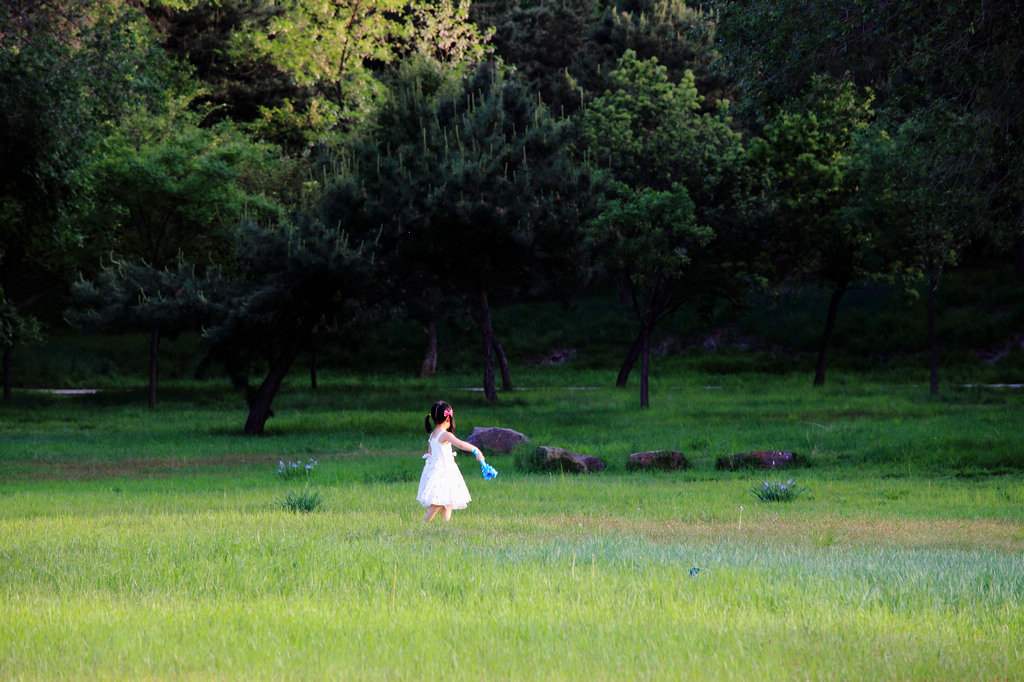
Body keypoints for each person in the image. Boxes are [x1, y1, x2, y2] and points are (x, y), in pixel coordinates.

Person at [417, 400, 487, 522]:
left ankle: (446, 525)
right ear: (448, 419)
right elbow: (460, 444)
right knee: (438, 502)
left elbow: (430, 453)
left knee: (448, 501)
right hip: (442, 471)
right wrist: (476, 450)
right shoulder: (445, 434)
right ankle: (423, 523)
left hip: (441, 470)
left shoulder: (433, 434)